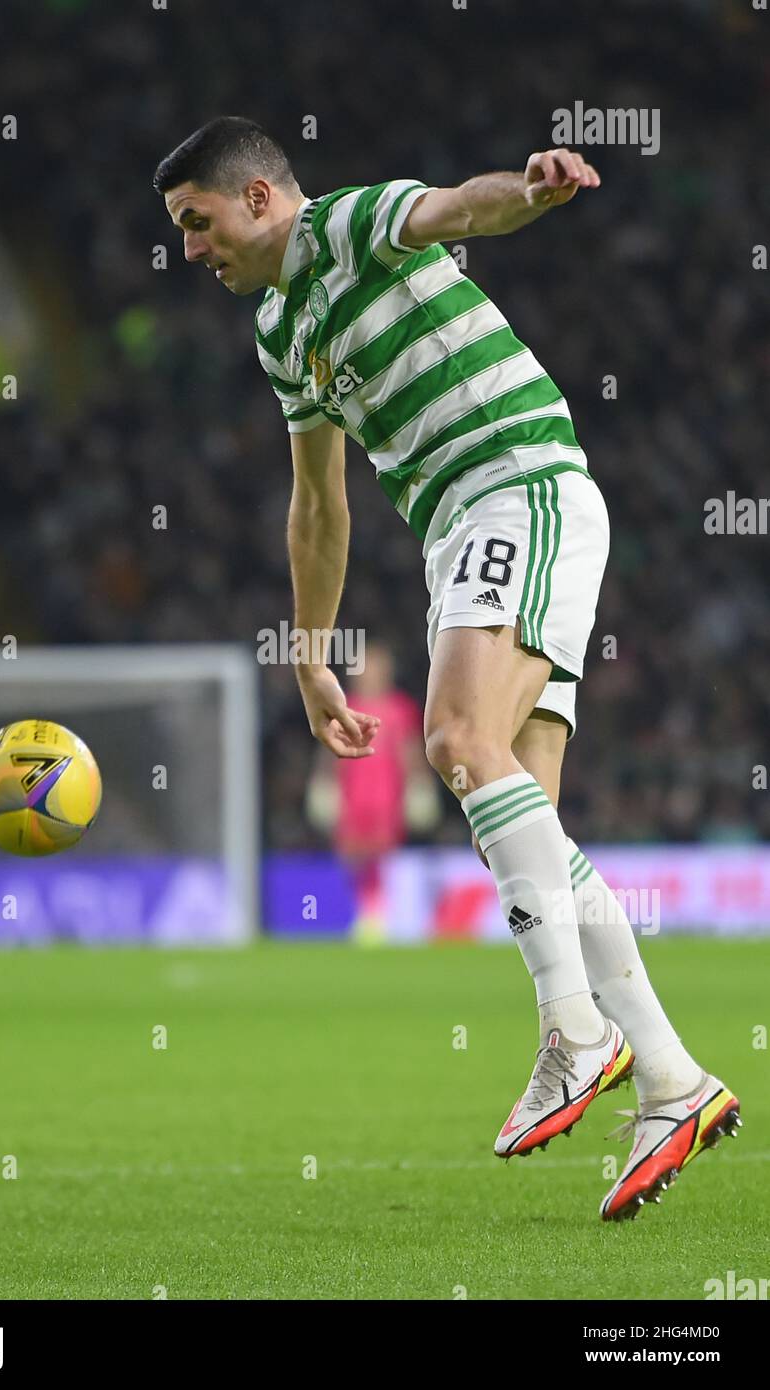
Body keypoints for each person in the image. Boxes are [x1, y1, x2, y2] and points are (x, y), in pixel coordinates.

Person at [154, 116, 741, 1220]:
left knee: (455, 742)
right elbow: (319, 506)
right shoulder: (284, 331)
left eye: (198, 222)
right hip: (460, 536)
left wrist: (529, 189)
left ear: (263, 199)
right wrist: (314, 653)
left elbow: (453, 209)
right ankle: (670, 1079)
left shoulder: (344, 229)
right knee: (533, 829)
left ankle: (575, 1031)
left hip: (518, 486)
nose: (190, 249)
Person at [304, 641, 439, 942]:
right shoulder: (345, 705)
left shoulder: (399, 708)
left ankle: (376, 915)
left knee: (381, 854)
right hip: (353, 793)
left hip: (385, 795)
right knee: (351, 854)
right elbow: (330, 752)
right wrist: (323, 783)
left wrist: (420, 786)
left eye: (376, 667)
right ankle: (361, 911)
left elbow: (410, 752)